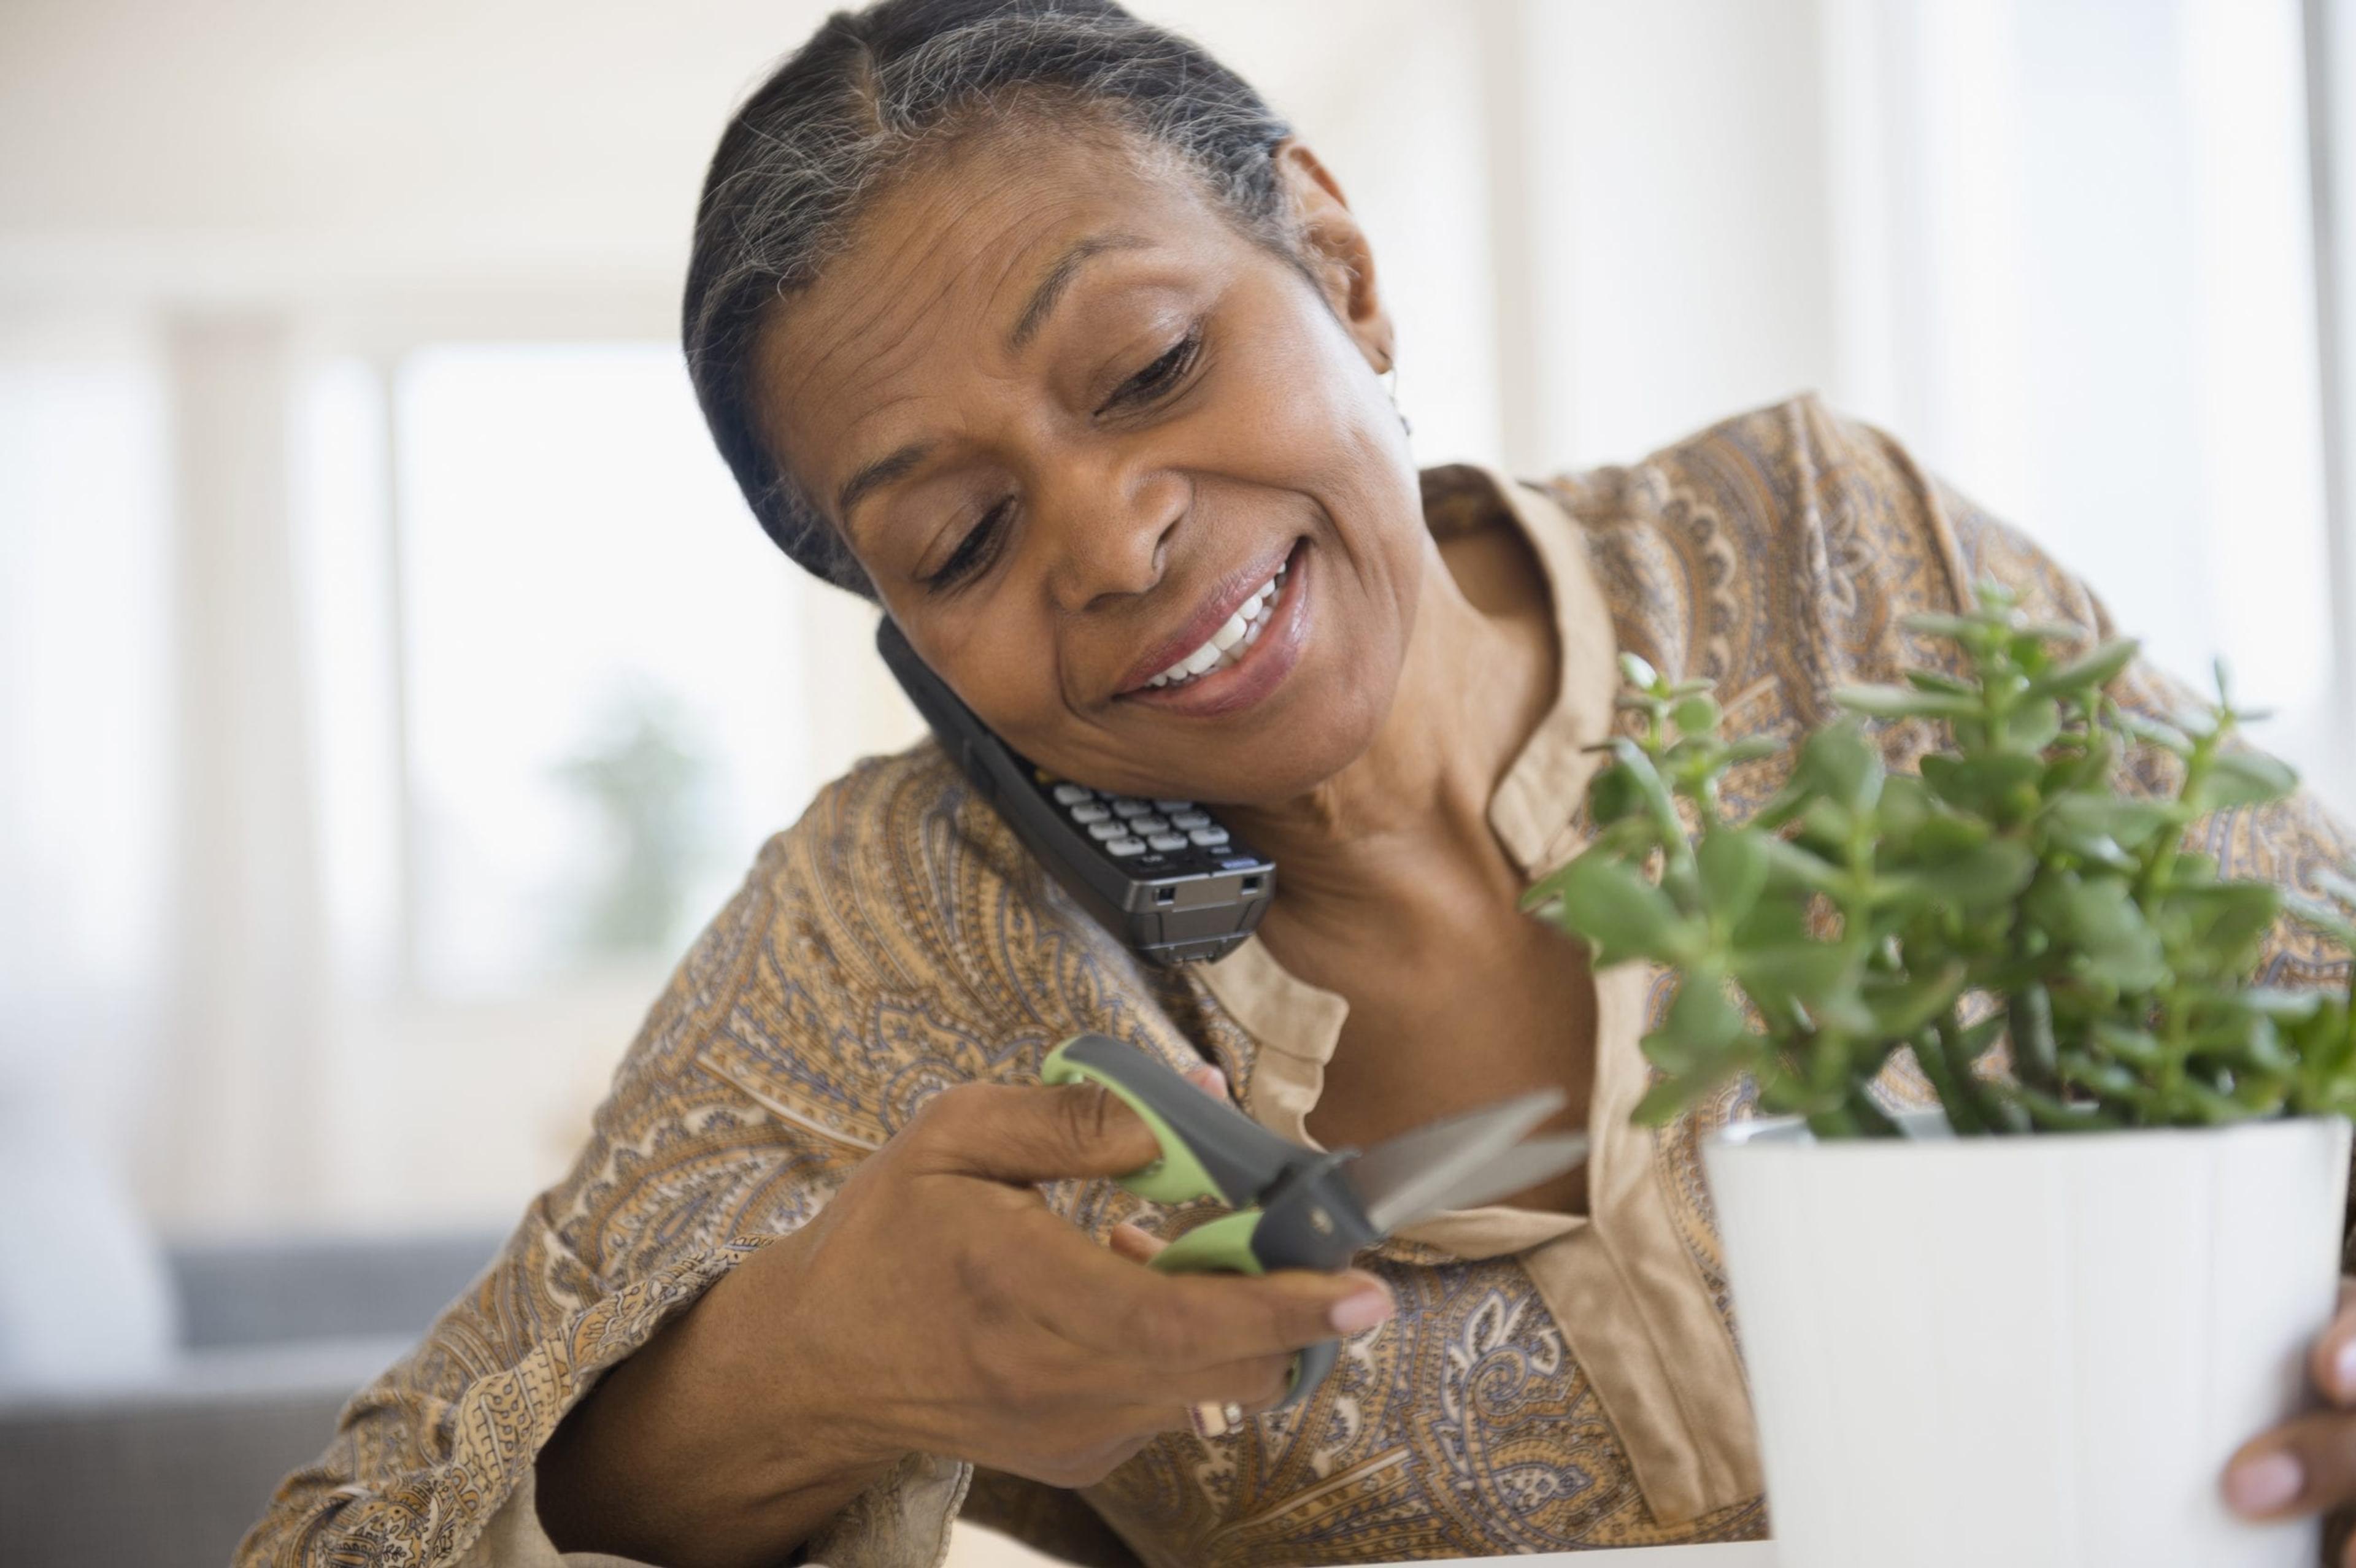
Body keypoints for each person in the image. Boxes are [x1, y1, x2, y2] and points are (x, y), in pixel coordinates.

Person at [237, 2, 2356, 1564]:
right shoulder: (893, 933)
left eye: (1154, 367)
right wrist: (808, 1367)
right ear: (896, 629)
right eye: (959, 540)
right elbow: (331, 1536)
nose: (1111, 536)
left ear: (1335, 266)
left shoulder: (1828, 540)